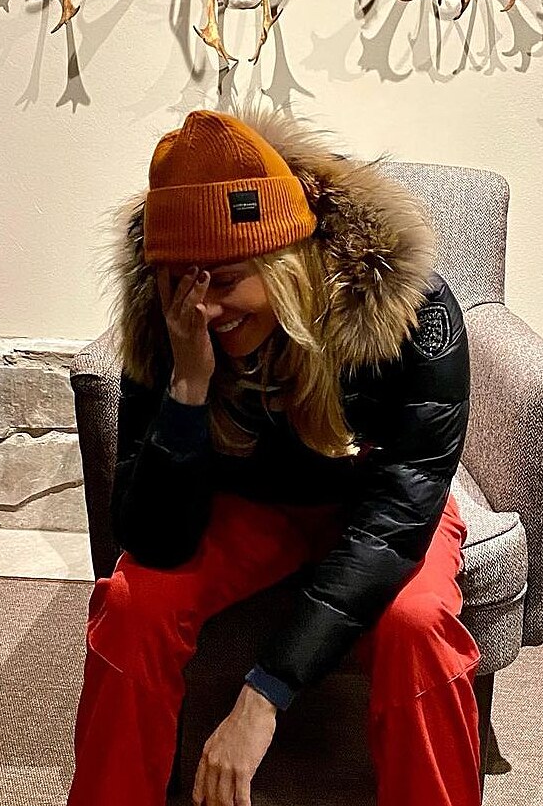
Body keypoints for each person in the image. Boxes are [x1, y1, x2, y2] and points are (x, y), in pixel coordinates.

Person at [67, 104, 482, 806]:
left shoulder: (411, 309)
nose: (204, 308)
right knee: (133, 604)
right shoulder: (166, 319)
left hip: (376, 504)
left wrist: (264, 692)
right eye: (183, 282)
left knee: (418, 625)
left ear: (284, 262)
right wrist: (188, 387)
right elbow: (153, 540)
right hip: (248, 502)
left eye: (227, 280)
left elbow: (398, 512)